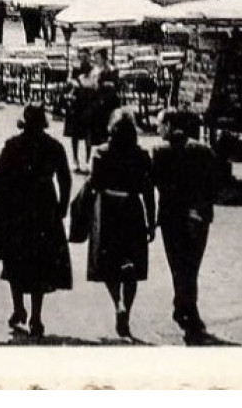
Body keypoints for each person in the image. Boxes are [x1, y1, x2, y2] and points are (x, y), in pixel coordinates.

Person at [0, 103, 72, 339]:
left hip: (15, 210)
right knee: (40, 266)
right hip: (43, 210)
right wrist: (62, 206)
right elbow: (66, 179)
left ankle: (18, 307)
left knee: (14, 262)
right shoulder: (54, 147)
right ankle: (36, 317)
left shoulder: (12, 145)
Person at [151, 109, 226, 342]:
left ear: (171, 126)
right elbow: (216, 183)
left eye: (161, 125)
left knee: (178, 264)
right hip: (198, 216)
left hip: (171, 217)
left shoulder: (159, 152)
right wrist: (202, 205)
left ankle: (188, 312)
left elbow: (154, 182)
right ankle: (183, 307)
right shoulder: (203, 150)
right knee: (191, 265)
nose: (157, 129)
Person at [86, 108, 156, 339]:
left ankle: (117, 302)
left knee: (109, 263)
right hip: (132, 209)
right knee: (132, 264)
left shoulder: (101, 153)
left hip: (107, 210)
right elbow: (148, 190)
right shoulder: (141, 155)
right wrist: (151, 220)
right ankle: (127, 304)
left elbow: (94, 184)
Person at [64, 48, 100, 172]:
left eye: (86, 57)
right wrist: (74, 82)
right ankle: (75, 159)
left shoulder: (94, 70)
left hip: (88, 101)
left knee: (88, 132)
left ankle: (87, 160)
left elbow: (95, 85)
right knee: (75, 133)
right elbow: (69, 80)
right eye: (81, 57)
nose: (83, 60)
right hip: (77, 102)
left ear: (90, 57)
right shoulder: (75, 69)